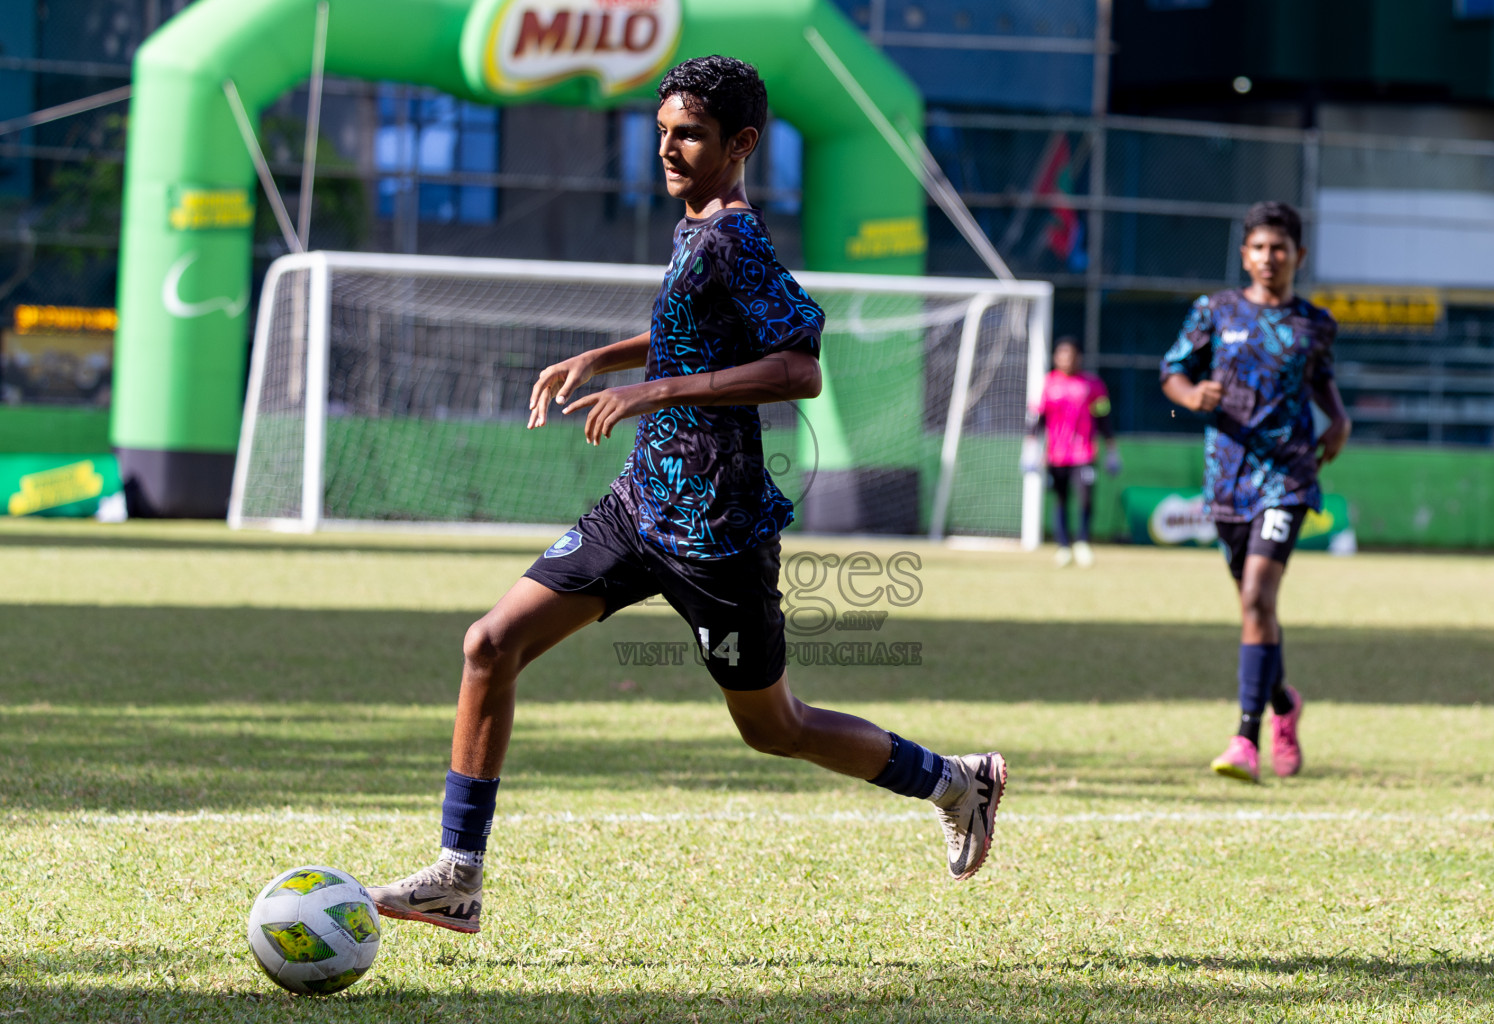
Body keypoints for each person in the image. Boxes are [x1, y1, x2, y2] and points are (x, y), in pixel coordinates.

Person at [366, 56, 1007, 934]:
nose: (667, 148)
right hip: (640, 505)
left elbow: (800, 367)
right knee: (489, 644)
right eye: (661, 131)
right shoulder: (693, 227)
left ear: (740, 144)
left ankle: (955, 782)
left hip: (716, 528)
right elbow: (694, 328)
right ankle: (458, 874)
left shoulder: (736, 234)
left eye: (689, 135)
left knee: (773, 727)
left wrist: (655, 390)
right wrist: (607, 357)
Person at [1159, 200, 1350, 784]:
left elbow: (1321, 380)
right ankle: (1286, 705)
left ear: (1299, 255)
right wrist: (1191, 397)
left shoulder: (1314, 323)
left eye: (1280, 248)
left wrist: (1337, 419)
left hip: (1287, 477)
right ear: (1245, 254)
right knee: (1254, 606)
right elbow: (1171, 370)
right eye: (1260, 248)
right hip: (1227, 478)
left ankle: (1246, 739)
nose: (1270, 258)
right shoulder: (1214, 312)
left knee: (1257, 597)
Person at [1027, 337, 1120, 568]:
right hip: (1056, 456)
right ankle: (1063, 547)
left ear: (1078, 357)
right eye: (1061, 354)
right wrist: (1030, 449)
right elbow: (1037, 419)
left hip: (1084, 453)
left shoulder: (1092, 384)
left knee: (1085, 498)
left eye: (1070, 355)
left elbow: (1103, 418)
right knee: (1060, 499)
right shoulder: (1047, 384)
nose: (1065, 359)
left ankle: (1082, 543)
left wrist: (1111, 451)